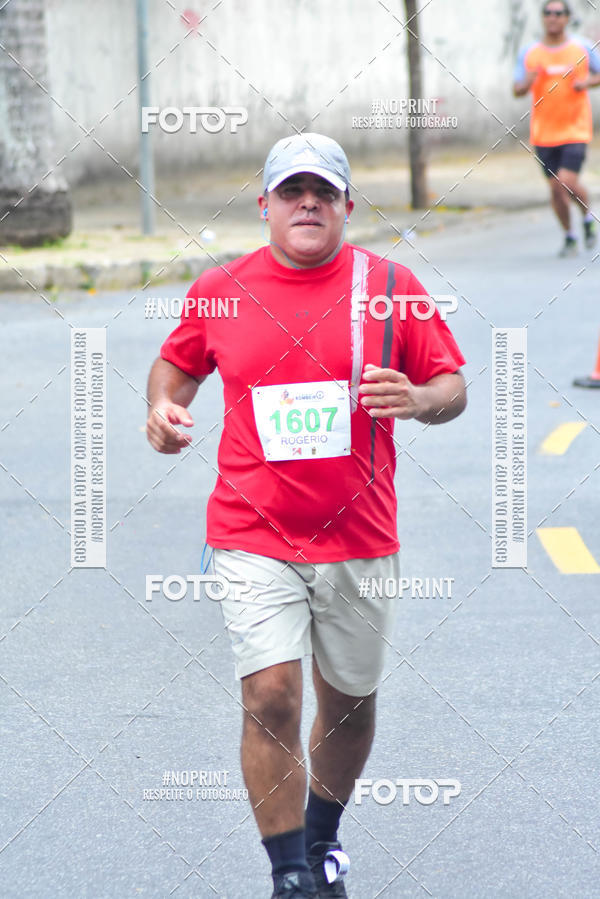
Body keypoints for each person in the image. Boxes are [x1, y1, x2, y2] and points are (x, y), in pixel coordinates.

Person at [146, 133, 467, 899]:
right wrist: (162, 407)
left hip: (359, 534)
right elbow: (178, 365)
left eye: (323, 192)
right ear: (265, 206)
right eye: (291, 191)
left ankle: (322, 835)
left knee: (350, 705)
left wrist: (420, 401)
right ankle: (289, 872)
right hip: (253, 533)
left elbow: (451, 383)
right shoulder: (220, 288)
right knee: (272, 695)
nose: (307, 203)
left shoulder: (390, 286)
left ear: (347, 207)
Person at [513, 0, 600, 257]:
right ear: (543, 18)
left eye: (558, 13)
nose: (553, 18)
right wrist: (526, 82)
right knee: (554, 188)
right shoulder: (530, 52)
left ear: (567, 18)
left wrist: (586, 83)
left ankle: (586, 215)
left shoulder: (581, 47)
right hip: (543, 132)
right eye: (548, 13)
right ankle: (570, 235)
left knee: (567, 181)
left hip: (575, 128)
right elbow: (516, 89)